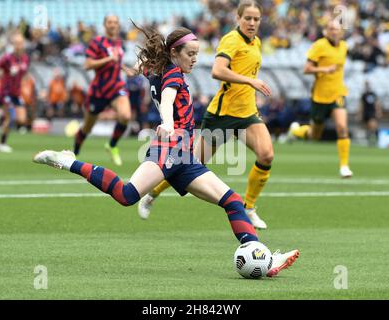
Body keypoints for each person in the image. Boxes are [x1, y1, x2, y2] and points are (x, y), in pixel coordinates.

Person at [33, 24, 299, 277]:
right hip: (169, 147)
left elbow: (151, 74)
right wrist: (168, 123)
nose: (195, 59)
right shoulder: (172, 73)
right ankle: (68, 162)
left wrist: (138, 68)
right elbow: (169, 98)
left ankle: (260, 254)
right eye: (190, 54)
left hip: (185, 157)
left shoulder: (159, 68)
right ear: (174, 53)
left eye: (196, 53)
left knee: (232, 201)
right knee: (127, 195)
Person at [138, 0, 274, 230]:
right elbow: (217, 71)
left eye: (256, 19)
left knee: (266, 155)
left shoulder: (257, 42)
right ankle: (152, 193)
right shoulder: (231, 40)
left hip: (248, 113)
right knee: (190, 162)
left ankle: (249, 207)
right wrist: (250, 81)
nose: (252, 22)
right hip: (223, 114)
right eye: (247, 18)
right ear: (238, 19)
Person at [287, 20, 353, 178]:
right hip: (320, 96)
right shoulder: (319, 46)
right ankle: (296, 131)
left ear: (341, 32)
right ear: (325, 31)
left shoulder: (344, 46)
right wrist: (325, 69)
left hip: (337, 93)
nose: (334, 31)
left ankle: (344, 166)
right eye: (330, 28)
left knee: (342, 127)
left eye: (336, 29)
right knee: (314, 136)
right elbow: (306, 69)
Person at [73, 15, 134, 166]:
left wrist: (126, 69)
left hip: (116, 87)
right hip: (99, 91)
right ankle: (74, 153)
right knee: (87, 127)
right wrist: (107, 59)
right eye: (110, 22)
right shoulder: (97, 42)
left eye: (115, 22)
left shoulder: (119, 43)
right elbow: (87, 65)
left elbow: (116, 62)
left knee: (125, 115)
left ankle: (112, 145)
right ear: (105, 24)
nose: (113, 25)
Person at [0, 33, 30, 153]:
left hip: (16, 92)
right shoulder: (7, 58)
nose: (19, 46)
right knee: (9, 118)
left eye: (21, 43)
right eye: (17, 43)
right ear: (13, 45)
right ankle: (2, 143)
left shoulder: (25, 58)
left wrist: (24, 85)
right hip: (6, 91)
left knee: (22, 119)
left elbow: (24, 74)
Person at [358, 81, 381, 146]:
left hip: (372, 112)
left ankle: (377, 139)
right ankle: (369, 140)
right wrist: (360, 113)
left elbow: (377, 103)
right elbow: (361, 105)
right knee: (367, 127)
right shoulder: (364, 95)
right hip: (365, 112)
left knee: (373, 126)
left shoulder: (373, 94)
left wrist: (378, 111)